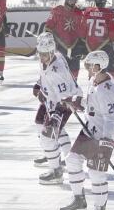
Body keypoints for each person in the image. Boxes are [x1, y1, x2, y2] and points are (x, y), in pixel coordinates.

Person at [60, 50, 114, 210]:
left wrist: (106, 141)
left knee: (96, 172)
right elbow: (92, 107)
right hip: (91, 130)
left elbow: (112, 119)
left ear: (98, 66)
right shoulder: (93, 81)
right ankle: (79, 200)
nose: (86, 68)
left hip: (105, 134)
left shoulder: (109, 89)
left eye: (89, 65)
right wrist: (78, 105)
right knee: (72, 160)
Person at [33, 32, 81, 185]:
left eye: (45, 54)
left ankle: (56, 171)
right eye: (40, 54)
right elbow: (44, 73)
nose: (42, 57)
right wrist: (39, 86)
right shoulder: (52, 56)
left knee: (48, 137)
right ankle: (59, 155)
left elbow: (66, 98)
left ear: (52, 52)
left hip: (63, 104)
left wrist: (55, 115)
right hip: (51, 100)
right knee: (40, 123)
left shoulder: (58, 70)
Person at [81, 0, 114, 87]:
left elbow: (83, 31)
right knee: (112, 71)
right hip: (105, 47)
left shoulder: (87, 12)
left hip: (90, 49)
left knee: (93, 72)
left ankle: (92, 93)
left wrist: (83, 46)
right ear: (104, 2)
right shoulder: (109, 13)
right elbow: (113, 33)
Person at [45, 0, 87, 79]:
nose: (72, 2)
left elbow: (82, 30)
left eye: (74, 0)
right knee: (59, 71)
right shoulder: (57, 11)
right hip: (59, 45)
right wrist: (48, 41)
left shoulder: (79, 13)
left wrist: (83, 46)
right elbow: (48, 27)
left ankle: (73, 87)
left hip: (75, 46)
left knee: (74, 71)